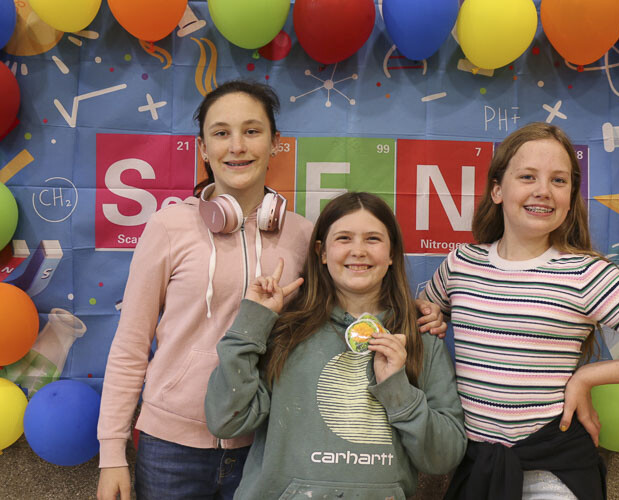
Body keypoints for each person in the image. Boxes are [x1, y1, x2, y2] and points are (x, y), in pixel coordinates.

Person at [96, 80, 444, 500]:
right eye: (221, 133)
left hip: (265, 444)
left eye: (252, 131)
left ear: (275, 143)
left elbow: (350, 304)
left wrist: (417, 310)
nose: (237, 146)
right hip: (172, 445)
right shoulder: (168, 228)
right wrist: (111, 451)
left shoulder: (302, 234)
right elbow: (131, 345)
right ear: (202, 148)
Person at [420, 122, 619, 500]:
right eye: (527, 176)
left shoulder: (586, 273)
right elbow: (422, 315)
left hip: (551, 473)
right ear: (497, 189)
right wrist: (426, 315)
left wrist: (587, 376)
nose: (543, 191)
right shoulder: (461, 263)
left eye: (559, 181)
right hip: (478, 470)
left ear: (571, 195)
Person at [205, 192, 467, 499]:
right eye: (344, 238)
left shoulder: (418, 334)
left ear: (393, 252)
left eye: (373, 239)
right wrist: (251, 321)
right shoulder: (285, 331)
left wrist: (398, 389)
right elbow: (225, 420)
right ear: (322, 252)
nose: (358, 251)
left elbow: (444, 457)